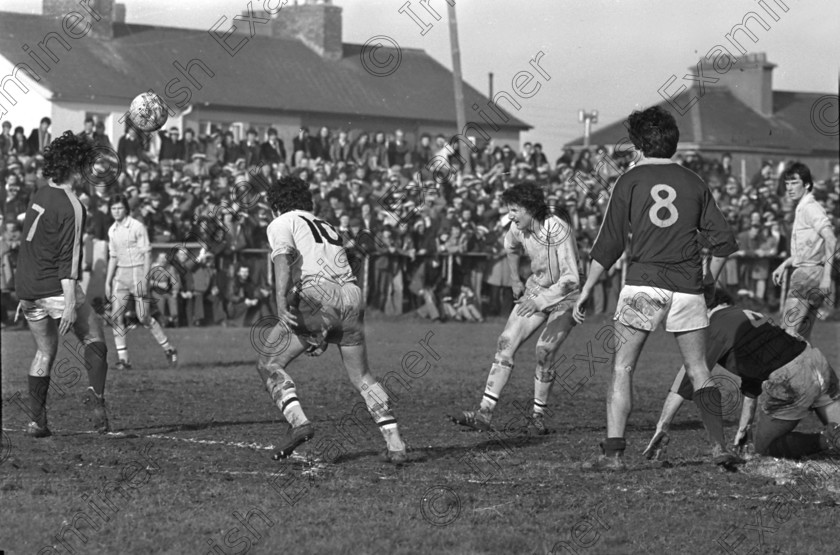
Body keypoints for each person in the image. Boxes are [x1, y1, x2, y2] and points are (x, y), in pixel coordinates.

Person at [574, 105, 741, 470]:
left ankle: (614, 455)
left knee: (623, 368)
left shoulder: (629, 180)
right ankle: (718, 447)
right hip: (687, 287)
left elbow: (610, 243)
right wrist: (709, 278)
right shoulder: (695, 181)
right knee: (698, 368)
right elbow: (724, 241)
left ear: (637, 145)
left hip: (643, 286)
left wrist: (588, 288)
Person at [257, 175, 408, 462]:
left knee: (268, 362)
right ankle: (396, 444)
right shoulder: (326, 224)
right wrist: (326, 328)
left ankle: (298, 422)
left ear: (276, 206)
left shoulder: (281, 222)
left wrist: (280, 304)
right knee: (363, 377)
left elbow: (281, 260)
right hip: (352, 295)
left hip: (316, 295)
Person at [644, 288, 840, 460]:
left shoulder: (715, 326)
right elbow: (753, 382)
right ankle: (834, 437)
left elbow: (688, 379)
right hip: (815, 360)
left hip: (792, 378)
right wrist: (743, 427)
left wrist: (663, 425)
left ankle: (828, 441)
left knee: (767, 446)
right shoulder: (744, 314)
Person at [450, 183, 581, 436]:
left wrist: (540, 302)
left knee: (543, 351)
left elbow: (572, 279)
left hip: (566, 296)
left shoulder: (557, 229)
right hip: (536, 290)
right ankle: (484, 413)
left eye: (514, 210)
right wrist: (514, 278)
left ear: (531, 208)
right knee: (505, 342)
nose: (510, 216)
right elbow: (510, 247)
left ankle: (537, 418)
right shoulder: (517, 228)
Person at [14, 131, 110, 436]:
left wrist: (24, 292)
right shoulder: (73, 205)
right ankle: (96, 403)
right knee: (95, 338)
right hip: (55, 286)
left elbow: (30, 244)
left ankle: (37, 422)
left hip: (28, 288)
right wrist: (69, 304)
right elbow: (69, 261)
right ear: (75, 165)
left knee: (44, 351)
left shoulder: (39, 193)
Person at [104, 194, 178, 370]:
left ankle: (169, 349)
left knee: (143, 316)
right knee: (116, 317)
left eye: (119, 208)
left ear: (126, 209)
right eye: (113, 208)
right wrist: (107, 281)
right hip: (121, 275)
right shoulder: (112, 230)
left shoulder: (137, 227)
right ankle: (124, 359)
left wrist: (145, 279)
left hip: (137, 272)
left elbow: (147, 254)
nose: (116, 212)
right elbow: (113, 257)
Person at [771, 163, 836, 341]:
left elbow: (831, 239)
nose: (789, 188)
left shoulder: (810, 208)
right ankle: (813, 369)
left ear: (806, 184)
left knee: (787, 333)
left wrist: (826, 278)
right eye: (787, 183)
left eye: (794, 183)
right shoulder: (803, 207)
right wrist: (784, 265)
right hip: (812, 272)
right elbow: (808, 251)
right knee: (799, 338)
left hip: (807, 275)